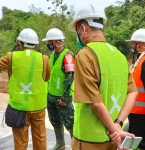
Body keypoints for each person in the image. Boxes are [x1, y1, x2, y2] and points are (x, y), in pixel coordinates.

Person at [68, 3, 138, 150]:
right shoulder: (119, 55)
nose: (77, 34)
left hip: (90, 138)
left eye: (76, 30)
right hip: (114, 138)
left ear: (82, 27)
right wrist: (117, 124)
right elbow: (132, 92)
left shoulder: (85, 54)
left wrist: (114, 130)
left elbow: (95, 101)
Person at [0, 28, 50, 150]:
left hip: (19, 107)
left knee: (20, 142)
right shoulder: (44, 59)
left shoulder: (11, 57)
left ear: (20, 43)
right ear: (36, 44)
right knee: (40, 138)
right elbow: (46, 77)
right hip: (38, 106)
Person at [42, 28, 74, 150]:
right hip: (51, 96)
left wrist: (64, 97)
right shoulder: (53, 56)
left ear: (55, 42)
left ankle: (75, 146)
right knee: (55, 121)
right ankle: (60, 143)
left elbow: (70, 77)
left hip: (62, 98)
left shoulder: (68, 55)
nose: (48, 44)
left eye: (49, 42)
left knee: (70, 123)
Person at [126, 28, 145, 150]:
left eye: (133, 43)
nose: (131, 46)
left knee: (140, 145)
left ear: (140, 45)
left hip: (141, 115)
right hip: (136, 113)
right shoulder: (139, 60)